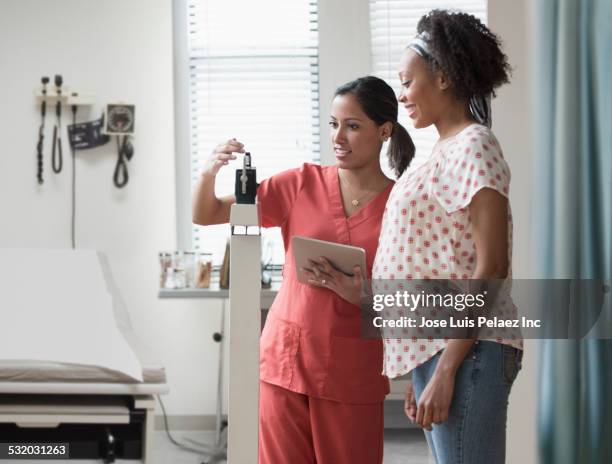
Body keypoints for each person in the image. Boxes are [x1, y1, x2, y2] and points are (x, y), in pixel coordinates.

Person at [192, 76, 415, 464]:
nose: (338, 138)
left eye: (353, 125)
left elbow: (413, 302)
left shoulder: (403, 205)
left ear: (385, 131)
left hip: (352, 371)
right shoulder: (300, 184)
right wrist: (210, 171)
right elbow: (207, 213)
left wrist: (363, 296)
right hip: (285, 364)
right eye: (333, 124)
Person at [382, 9, 523, 464]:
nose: (401, 95)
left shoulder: (473, 144)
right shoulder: (444, 149)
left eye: (407, 81)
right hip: (444, 349)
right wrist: (422, 367)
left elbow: (492, 267)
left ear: (442, 78)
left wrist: (445, 369)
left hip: (468, 350)